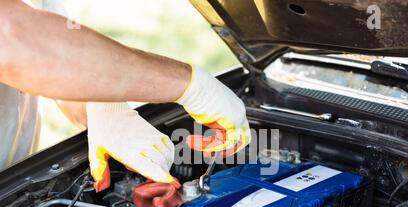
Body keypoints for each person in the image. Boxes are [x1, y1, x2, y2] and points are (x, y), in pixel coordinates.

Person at [0, 0, 250, 192]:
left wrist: (103, 110)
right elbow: (11, 39)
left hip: (12, 184)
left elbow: (58, 54)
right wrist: (189, 84)